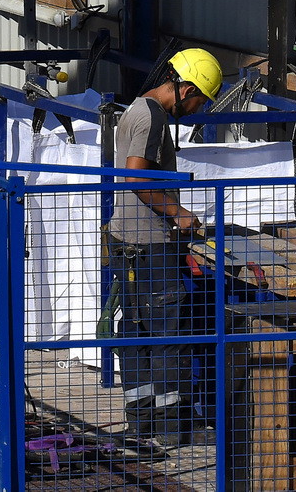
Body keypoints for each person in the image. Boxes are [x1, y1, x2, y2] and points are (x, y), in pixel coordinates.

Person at [105, 47, 223, 448]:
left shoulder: (134, 109)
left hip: (126, 240)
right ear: (185, 87)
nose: (196, 109)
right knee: (167, 334)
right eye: (199, 100)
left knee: (135, 329)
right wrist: (179, 213)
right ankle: (172, 428)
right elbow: (136, 178)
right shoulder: (153, 117)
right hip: (150, 244)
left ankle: (141, 424)